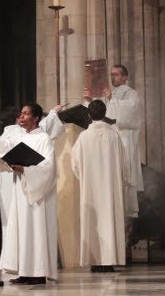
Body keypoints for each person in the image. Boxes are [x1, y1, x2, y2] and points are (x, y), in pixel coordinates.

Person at [0, 102, 58, 285]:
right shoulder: (19, 137)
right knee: (22, 230)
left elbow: (49, 168)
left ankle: (37, 273)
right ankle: (24, 271)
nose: (22, 117)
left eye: (26, 114)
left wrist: (26, 170)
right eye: (21, 113)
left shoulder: (43, 139)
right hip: (20, 191)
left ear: (36, 118)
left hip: (36, 193)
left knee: (35, 230)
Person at [72, 100, 128, 272]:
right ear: (105, 114)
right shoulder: (114, 135)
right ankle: (109, 261)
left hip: (90, 188)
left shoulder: (83, 137)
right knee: (109, 219)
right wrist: (121, 180)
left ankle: (95, 261)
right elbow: (124, 163)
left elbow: (75, 165)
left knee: (93, 222)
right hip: (110, 188)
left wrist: (85, 179)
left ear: (89, 115)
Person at [84, 64, 143, 219]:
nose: (112, 77)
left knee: (124, 178)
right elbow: (98, 115)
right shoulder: (106, 95)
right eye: (111, 74)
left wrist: (112, 99)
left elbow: (131, 115)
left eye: (116, 74)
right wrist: (90, 100)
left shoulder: (132, 94)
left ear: (125, 77)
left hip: (124, 140)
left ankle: (126, 217)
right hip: (108, 142)